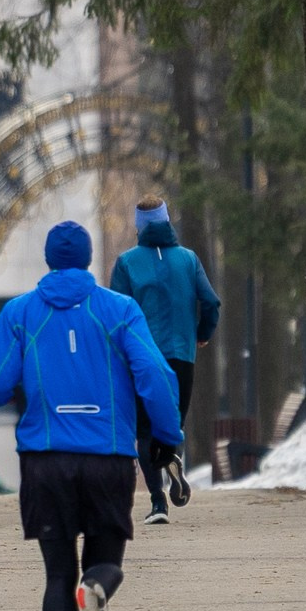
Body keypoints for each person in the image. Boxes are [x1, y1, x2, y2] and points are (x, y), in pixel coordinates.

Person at [0, 220, 183, 611]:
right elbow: (153, 374)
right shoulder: (120, 310)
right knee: (106, 562)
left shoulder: (20, 313)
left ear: (48, 259)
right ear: (87, 260)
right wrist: (167, 436)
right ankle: (98, 588)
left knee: (56, 574)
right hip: (107, 460)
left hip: (46, 462)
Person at [108, 194, 221, 525]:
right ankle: (172, 458)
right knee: (172, 423)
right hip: (182, 354)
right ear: (167, 220)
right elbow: (211, 302)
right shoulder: (188, 260)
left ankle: (158, 503)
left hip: (143, 359)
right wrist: (202, 332)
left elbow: (117, 314)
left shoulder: (127, 263)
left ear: (138, 226)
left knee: (144, 429)